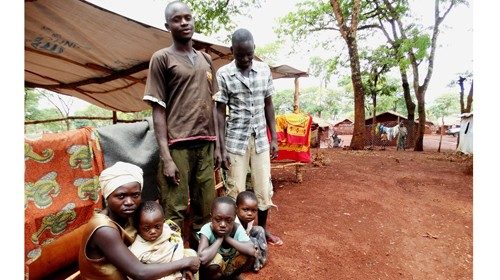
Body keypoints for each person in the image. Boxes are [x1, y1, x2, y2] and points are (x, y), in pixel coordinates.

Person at [143, 0, 220, 248]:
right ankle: (173, 260)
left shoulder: (206, 59)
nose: (184, 22)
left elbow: (215, 106)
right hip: (177, 146)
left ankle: (203, 260)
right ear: (168, 26)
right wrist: (166, 157)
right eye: (177, 19)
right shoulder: (162, 58)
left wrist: (220, 145)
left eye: (188, 17)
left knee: (206, 206)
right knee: (174, 208)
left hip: (206, 144)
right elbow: (158, 109)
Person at [214, 28, 283, 246]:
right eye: (240, 54)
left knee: (263, 188)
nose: (245, 59)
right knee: (235, 189)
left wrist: (274, 138)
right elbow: (219, 110)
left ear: (254, 50)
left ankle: (262, 230)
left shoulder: (264, 70)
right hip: (235, 140)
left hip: (261, 139)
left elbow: (269, 104)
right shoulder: (223, 74)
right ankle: (239, 234)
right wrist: (220, 147)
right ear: (232, 51)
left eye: (249, 54)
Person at [78, 161, 200, 280]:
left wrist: (183, 264)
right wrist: (185, 263)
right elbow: (140, 273)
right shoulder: (104, 229)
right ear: (107, 196)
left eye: (135, 195)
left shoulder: (130, 215)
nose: (129, 202)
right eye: (121, 196)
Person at [129, 200, 198, 280]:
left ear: (163, 222)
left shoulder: (167, 231)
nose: (153, 231)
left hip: (176, 265)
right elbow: (135, 272)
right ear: (138, 227)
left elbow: (177, 243)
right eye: (147, 228)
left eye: (157, 227)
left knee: (192, 253)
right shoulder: (137, 247)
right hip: (156, 274)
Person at [197, 197, 256, 280]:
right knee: (213, 265)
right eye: (218, 219)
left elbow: (251, 250)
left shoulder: (236, 228)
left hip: (228, 267)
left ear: (234, 218)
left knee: (250, 256)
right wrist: (219, 239)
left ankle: (231, 277)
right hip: (212, 271)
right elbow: (202, 258)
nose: (223, 224)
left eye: (228, 220)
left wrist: (227, 238)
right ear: (211, 217)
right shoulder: (207, 229)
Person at [235, 191, 268, 271]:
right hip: (235, 246)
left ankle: (262, 259)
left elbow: (248, 232)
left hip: (244, 238)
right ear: (236, 209)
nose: (250, 213)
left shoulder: (248, 219)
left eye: (254, 211)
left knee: (259, 229)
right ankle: (254, 265)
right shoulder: (234, 222)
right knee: (253, 241)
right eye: (245, 210)